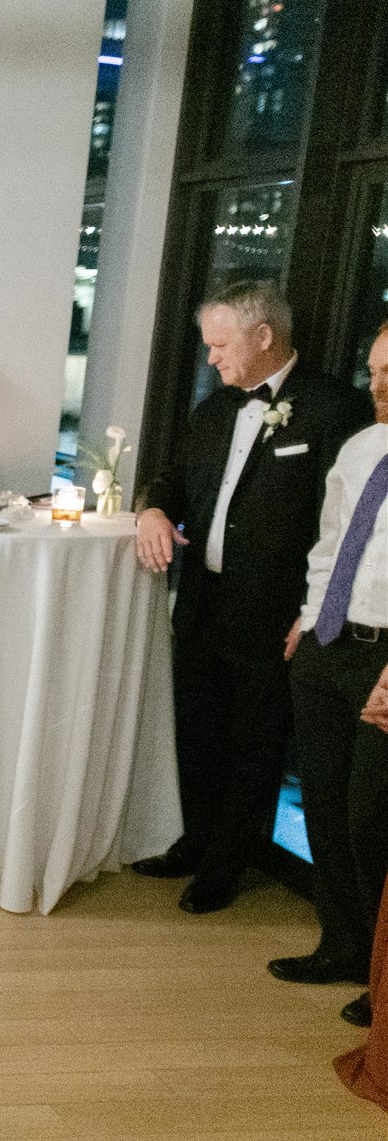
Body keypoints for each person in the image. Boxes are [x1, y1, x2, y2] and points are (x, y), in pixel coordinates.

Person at [132, 281, 371, 913]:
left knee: (255, 744)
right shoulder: (212, 411)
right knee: (197, 731)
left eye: (220, 344)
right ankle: (196, 840)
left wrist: (314, 610)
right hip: (203, 603)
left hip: (274, 613)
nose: (209, 358)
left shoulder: (331, 409)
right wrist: (152, 510)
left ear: (263, 336)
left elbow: (346, 524)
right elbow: (171, 478)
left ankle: (226, 864)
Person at [279, 318, 388, 1022]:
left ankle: (383, 980)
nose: (379, 388)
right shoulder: (362, 445)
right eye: (375, 372)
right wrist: (308, 613)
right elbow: (333, 542)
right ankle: (341, 944)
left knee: (369, 816)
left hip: (385, 657)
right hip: (326, 639)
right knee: (320, 798)